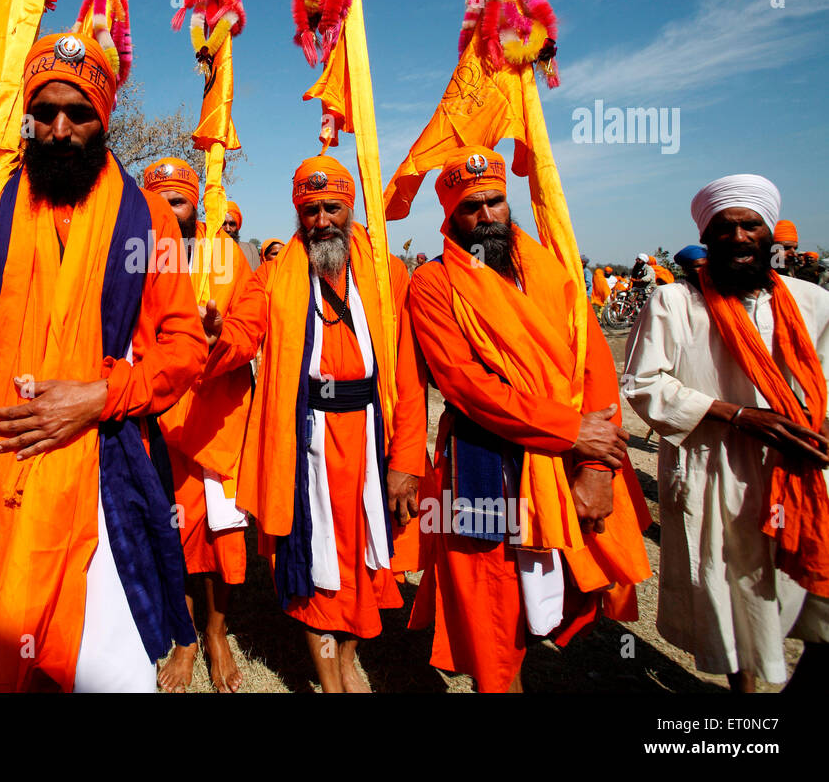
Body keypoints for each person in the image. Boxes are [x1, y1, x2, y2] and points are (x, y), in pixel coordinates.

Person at [0, 33, 205, 692]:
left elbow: (184, 346)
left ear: (102, 119)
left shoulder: (148, 222)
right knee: (27, 664)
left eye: (78, 114)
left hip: (107, 479)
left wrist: (98, 396)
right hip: (4, 479)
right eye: (43, 112)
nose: (58, 129)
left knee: (110, 672)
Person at [406, 148, 651, 692]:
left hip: (565, 461)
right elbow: (465, 384)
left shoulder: (555, 269)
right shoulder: (432, 284)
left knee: (564, 593)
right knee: (494, 612)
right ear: (451, 215)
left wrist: (595, 465)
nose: (488, 214)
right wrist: (568, 428)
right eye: (472, 206)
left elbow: (594, 369)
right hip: (481, 459)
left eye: (496, 200)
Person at [204, 155, 427, 693]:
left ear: (350, 206)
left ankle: (348, 654)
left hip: (371, 433)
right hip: (306, 441)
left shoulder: (385, 270)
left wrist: (407, 460)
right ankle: (330, 678)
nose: (322, 220)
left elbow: (409, 370)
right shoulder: (277, 271)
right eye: (310, 210)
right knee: (313, 557)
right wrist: (216, 336)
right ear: (297, 213)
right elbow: (244, 330)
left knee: (368, 555)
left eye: (332, 208)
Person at [623, 174, 829, 691]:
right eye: (725, 227)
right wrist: (738, 416)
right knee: (735, 593)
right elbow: (644, 384)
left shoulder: (811, 303)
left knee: (811, 594)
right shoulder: (675, 304)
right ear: (707, 236)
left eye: (750, 225)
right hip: (716, 471)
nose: (739, 237)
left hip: (799, 469)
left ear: (769, 235)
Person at [143, 158, 254, 693]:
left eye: (178, 202)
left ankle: (216, 633)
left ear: (195, 209)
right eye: (157, 203)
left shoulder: (228, 257)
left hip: (217, 418)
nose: (167, 213)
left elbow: (254, 322)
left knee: (222, 533)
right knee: (176, 532)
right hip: (159, 420)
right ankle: (185, 638)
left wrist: (220, 338)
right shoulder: (130, 261)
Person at [222, 200, 260, 272]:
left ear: (237, 226)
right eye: (223, 224)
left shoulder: (250, 250)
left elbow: (257, 279)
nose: (227, 229)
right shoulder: (207, 251)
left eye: (232, 224)